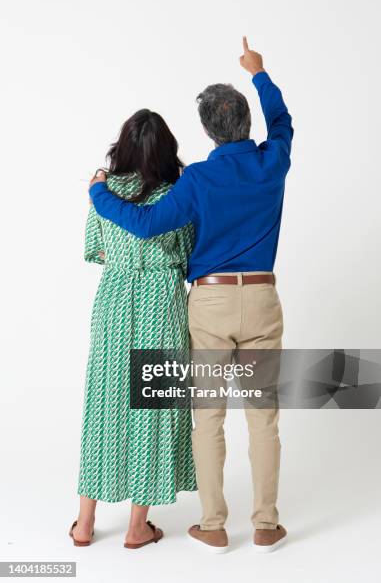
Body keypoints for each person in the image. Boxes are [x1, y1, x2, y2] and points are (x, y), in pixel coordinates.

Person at [88, 37, 294, 553]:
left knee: (208, 416)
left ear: (206, 131)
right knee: (263, 414)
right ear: (247, 125)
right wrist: (259, 73)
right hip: (264, 299)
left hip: (210, 303)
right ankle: (267, 523)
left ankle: (214, 523)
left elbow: (147, 221)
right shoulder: (274, 162)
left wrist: (96, 191)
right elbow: (284, 123)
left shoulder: (198, 179)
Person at [70, 110, 197, 549]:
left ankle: (84, 523)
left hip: (114, 303)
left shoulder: (101, 192)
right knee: (153, 408)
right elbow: (187, 256)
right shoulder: (176, 196)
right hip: (161, 305)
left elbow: (97, 251)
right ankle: (137, 526)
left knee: (103, 407)